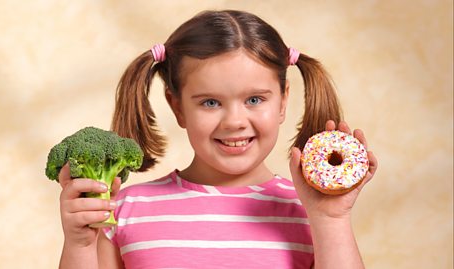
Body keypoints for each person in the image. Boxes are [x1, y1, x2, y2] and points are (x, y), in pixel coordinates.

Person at [57, 9, 378, 269]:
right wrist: (80, 245)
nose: (235, 121)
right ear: (177, 106)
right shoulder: (127, 209)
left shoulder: (309, 211)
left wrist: (331, 220)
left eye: (255, 100)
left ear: (282, 101)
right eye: (210, 102)